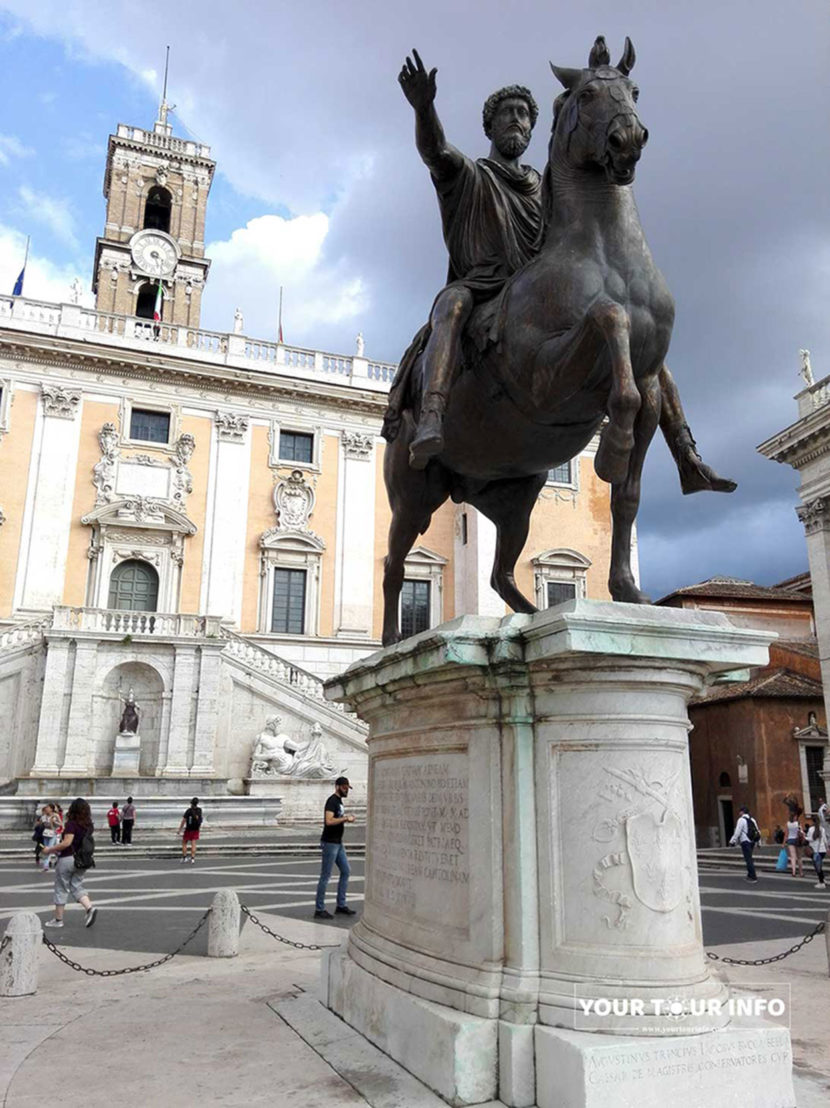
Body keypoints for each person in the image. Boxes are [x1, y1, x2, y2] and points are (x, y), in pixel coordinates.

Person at [386, 49, 734, 497]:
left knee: (645, 341)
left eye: (524, 115)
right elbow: (434, 151)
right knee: (450, 304)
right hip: (484, 285)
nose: (517, 121)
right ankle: (433, 413)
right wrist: (423, 108)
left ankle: (686, 454)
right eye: (508, 114)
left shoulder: (543, 184)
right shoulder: (470, 174)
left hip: (541, 290)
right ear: (490, 127)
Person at [41, 797, 98, 929]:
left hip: (68, 858)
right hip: (83, 860)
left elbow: (67, 842)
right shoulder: (89, 825)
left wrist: (50, 849)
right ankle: (89, 908)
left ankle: (58, 920)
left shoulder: (72, 824)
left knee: (61, 888)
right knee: (76, 886)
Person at [314, 776, 356, 919]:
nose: (346, 790)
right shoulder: (332, 801)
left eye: (347, 788)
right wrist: (345, 818)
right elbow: (329, 821)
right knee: (325, 875)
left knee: (346, 870)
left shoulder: (339, 802)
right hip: (330, 842)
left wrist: (345, 818)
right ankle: (319, 909)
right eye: (344, 788)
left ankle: (341, 905)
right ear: (337, 787)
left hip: (338, 842)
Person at [728, 806, 759, 882]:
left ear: (742, 812)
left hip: (745, 841)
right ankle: (749, 874)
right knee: (749, 857)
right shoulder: (752, 819)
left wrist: (732, 841)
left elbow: (737, 831)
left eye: (740, 811)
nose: (739, 813)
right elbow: (757, 831)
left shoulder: (741, 820)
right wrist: (759, 842)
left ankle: (753, 876)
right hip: (752, 841)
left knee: (748, 859)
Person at [178, 798, 203, 864]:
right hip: (196, 829)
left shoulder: (189, 811)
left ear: (191, 803)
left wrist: (180, 829)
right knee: (193, 844)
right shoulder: (199, 810)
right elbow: (200, 819)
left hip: (188, 829)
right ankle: (192, 858)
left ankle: (184, 857)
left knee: (184, 843)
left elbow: (183, 820)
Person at [38, 803, 62, 872]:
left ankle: (46, 865)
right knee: (47, 848)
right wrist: (41, 821)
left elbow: (61, 824)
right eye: (46, 808)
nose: (47, 809)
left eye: (48, 808)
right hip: (46, 833)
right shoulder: (44, 816)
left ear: (51, 809)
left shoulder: (55, 815)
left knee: (48, 849)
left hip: (53, 833)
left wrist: (54, 822)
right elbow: (39, 824)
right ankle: (59, 854)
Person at [806, 818, 827, 888]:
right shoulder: (822, 829)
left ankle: (821, 882)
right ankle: (822, 879)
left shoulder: (811, 829)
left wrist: (804, 837)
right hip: (822, 850)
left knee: (817, 867)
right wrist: (827, 848)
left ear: (812, 821)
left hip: (815, 850)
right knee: (819, 866)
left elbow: (810, 839)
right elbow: (825, 840)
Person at [785, 809, 804, 877]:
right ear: (795, 817)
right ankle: (801, 872)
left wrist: (784, 843)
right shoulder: (798, 823)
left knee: (793, 857)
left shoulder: (788, 823)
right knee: (799, 857)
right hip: (798, 840)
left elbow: (786, 834)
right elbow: (801, 832)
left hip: (790, 840)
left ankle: (793, 872)